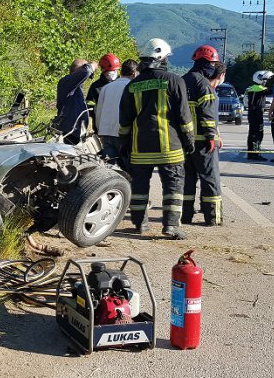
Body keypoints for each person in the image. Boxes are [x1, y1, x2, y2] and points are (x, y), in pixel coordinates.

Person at [119, 38, 194, 239]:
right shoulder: (175, 81)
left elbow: (125, 120)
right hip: (170, 147)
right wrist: (189, 140)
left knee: (139, 188)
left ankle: (140, 225)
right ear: (161, 58)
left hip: (140, 147)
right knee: (173, 186)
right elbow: (184, 117)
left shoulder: (132, 86)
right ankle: (171, 226)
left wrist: (124, 144)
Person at [182, 46, 224, 226]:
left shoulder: (180, 81)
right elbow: (208, 114)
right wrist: (211, 136)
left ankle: (185, 216)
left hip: (183, 142)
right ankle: (212, 218)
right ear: (207, 64)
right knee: (210, 180)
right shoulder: (204, 85)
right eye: (213, 64)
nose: (215, 67)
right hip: (203, 143)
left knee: (186, 181)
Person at [95, 59, 138, 167]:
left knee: (110, 169)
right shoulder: (133, 88)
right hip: (125, 134)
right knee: (129, 169)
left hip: (106, 133)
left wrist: (99, 130)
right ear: (134, 73)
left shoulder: (106, 88)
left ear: (121, 72)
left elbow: (99, 111)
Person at [56, 59, 97, 144]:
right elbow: (86, 72)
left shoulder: (75, 86)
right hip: (71, 131)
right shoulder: (66, 81)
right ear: (78, 70)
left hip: (77, 130)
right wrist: (93, 65)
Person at [245, 70, 273, 161]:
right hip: (256, 114)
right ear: (259, 79)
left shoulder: (252, 88)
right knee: (257, 134)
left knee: (252, 133)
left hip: (252, 113)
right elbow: (271, 91)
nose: (265, 82)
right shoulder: (259, 88)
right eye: (264, 80)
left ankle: (251, 153)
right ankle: (255, 154)